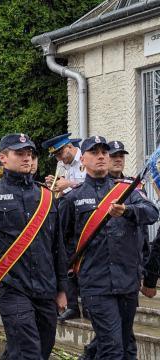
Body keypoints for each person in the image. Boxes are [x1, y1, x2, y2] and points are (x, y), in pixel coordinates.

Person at [0, 133, 67, 360]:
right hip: (11, 287)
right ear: (3, 158)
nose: (27, 158)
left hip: (45, 286)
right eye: (20, 153)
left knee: (41, 348)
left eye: (29, 153)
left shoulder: (46, 197)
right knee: (28, 350)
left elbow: (57, 246)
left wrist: (62, 289)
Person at [59, 136, 158, 359]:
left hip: (127, 280)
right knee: (112, 347)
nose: (101, 156)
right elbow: (61, 244)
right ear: (82, 159)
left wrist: (128, 211)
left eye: (104, 152)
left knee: (124, 343)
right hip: (95, 284)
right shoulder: (72, 199)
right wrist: (63, 285)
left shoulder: (127, 191)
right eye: (94, 152)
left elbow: (152, 213)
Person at [42, 133, 86, 322]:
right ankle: (73, 306)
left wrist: (70, 184)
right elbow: (61, 188)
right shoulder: (63, 164)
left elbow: (94, 182)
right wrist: (54, 182)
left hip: (85, 215)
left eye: (60, 153)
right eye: (57, 156)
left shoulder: (85, 158)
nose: (59, 158)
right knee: (67, 259)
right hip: (68, 215)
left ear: (69, 147)